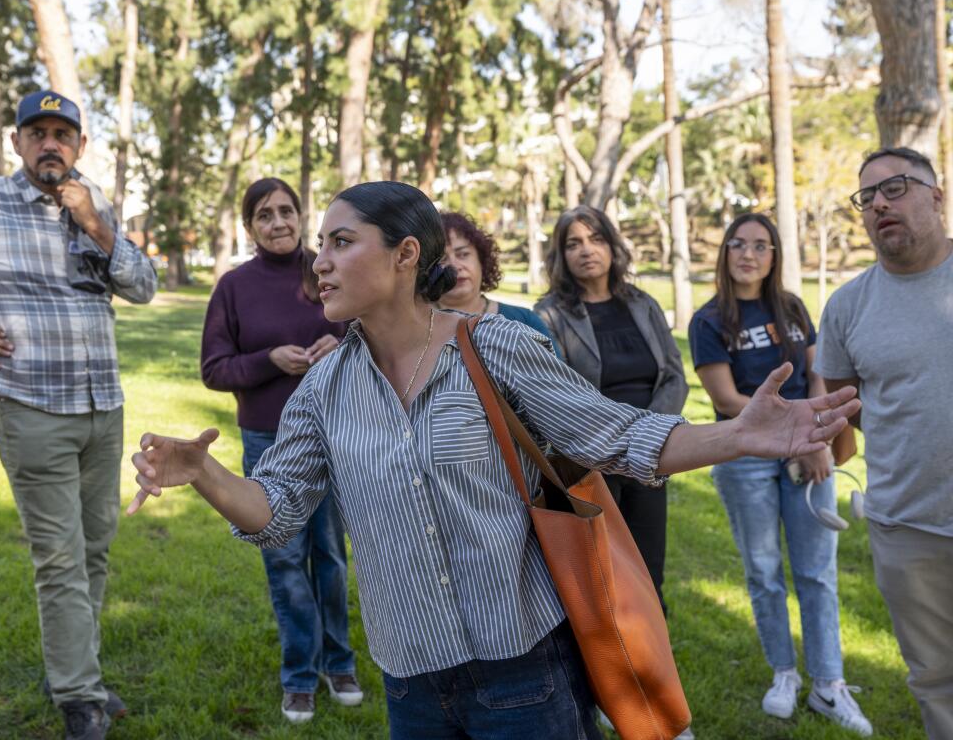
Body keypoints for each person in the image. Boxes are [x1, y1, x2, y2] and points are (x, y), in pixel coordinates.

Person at [127, 181, 859, 740]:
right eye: (320, 244)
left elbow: (616, 434)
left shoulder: (495, 345)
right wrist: (207, 475)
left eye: (341, 242)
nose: (318, 262)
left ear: (406, 255)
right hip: (411, 684)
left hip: (525, 671)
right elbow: (278, 508)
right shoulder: (324, 386)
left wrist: (740, 433)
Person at [0, 90, 157, 740]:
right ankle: (79, 696)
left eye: (62, 134)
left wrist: (100, 226)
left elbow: (144, 286)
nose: (50, 144)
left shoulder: (95, 202)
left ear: (79, 146)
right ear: (16, 142)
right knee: (61, 557)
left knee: (95, 547)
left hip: (102, 402)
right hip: (30, 401)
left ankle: (73, 667)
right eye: (36, 132)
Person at [688, 213, 871, 736]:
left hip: (806, 447)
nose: (749, 254)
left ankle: (829, 685)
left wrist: (812, 437)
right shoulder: (708, 321)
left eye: (761, 246)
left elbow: (818, 369)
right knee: (764, 571)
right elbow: (725, 399)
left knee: (817, 570)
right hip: (745, 455)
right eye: (738, 245)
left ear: (774, 256)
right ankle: (785, 674)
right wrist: (791, 435)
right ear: (724, 253)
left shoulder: (790, 308)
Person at [200, 177, 360, 723]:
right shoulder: (234, 287)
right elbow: (214, 369)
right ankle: (299, 674)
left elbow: (370, 335)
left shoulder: (328, 269)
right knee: (286, 559)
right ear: (250, 227)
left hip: (334, 432)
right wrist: (270, 359)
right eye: (264, 215)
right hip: (269, 440)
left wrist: (339, 344)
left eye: (287, 211)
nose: (278, 223)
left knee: (331, 557)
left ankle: (339, 662)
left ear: (301, 216)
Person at [816, 147, 953, 739]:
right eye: (867, 197)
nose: (877, 204)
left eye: (894, 188)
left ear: (937, 196)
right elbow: (851, 404)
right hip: (906, 525)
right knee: (935, 678)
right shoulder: (847, 307)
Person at [535, 206, 688, 615]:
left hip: (653, 450)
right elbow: (558, 392)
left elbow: (674, 375)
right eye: (574, 243)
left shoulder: (643, 304)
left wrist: (654, 431)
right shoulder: (550, 313)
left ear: (612, 246)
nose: (587, 250)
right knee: (604, 573)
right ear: (561, 256)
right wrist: (618, 436)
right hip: (594, 454)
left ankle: (654, 665)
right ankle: (611, 664)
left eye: (596, 239)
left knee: (649, 565)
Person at [438, 211, 560, 355]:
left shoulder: (524, 320)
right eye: (441, 259)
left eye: (463, 254)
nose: (454, 265)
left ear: (482, 260)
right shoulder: (415, 327)